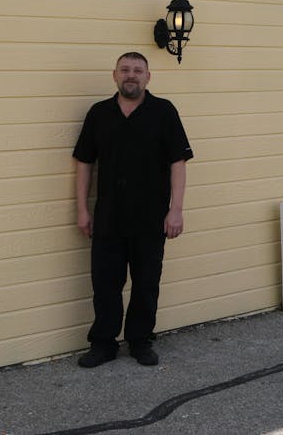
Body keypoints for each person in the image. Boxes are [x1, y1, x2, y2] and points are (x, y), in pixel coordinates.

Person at [73, 51, 193, 367]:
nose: (131, 75)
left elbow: (177, 164)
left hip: (151, 217)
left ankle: (140, 340)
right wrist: (82, 210)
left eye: (138, 70)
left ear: (148, 77)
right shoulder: (99, 114)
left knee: (146, 283)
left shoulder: (164, 112)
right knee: (105, 284)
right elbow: (84, 164)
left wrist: (175, 210)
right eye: (125, 69)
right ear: (114, 75)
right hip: (108, 217)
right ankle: (103, 343)